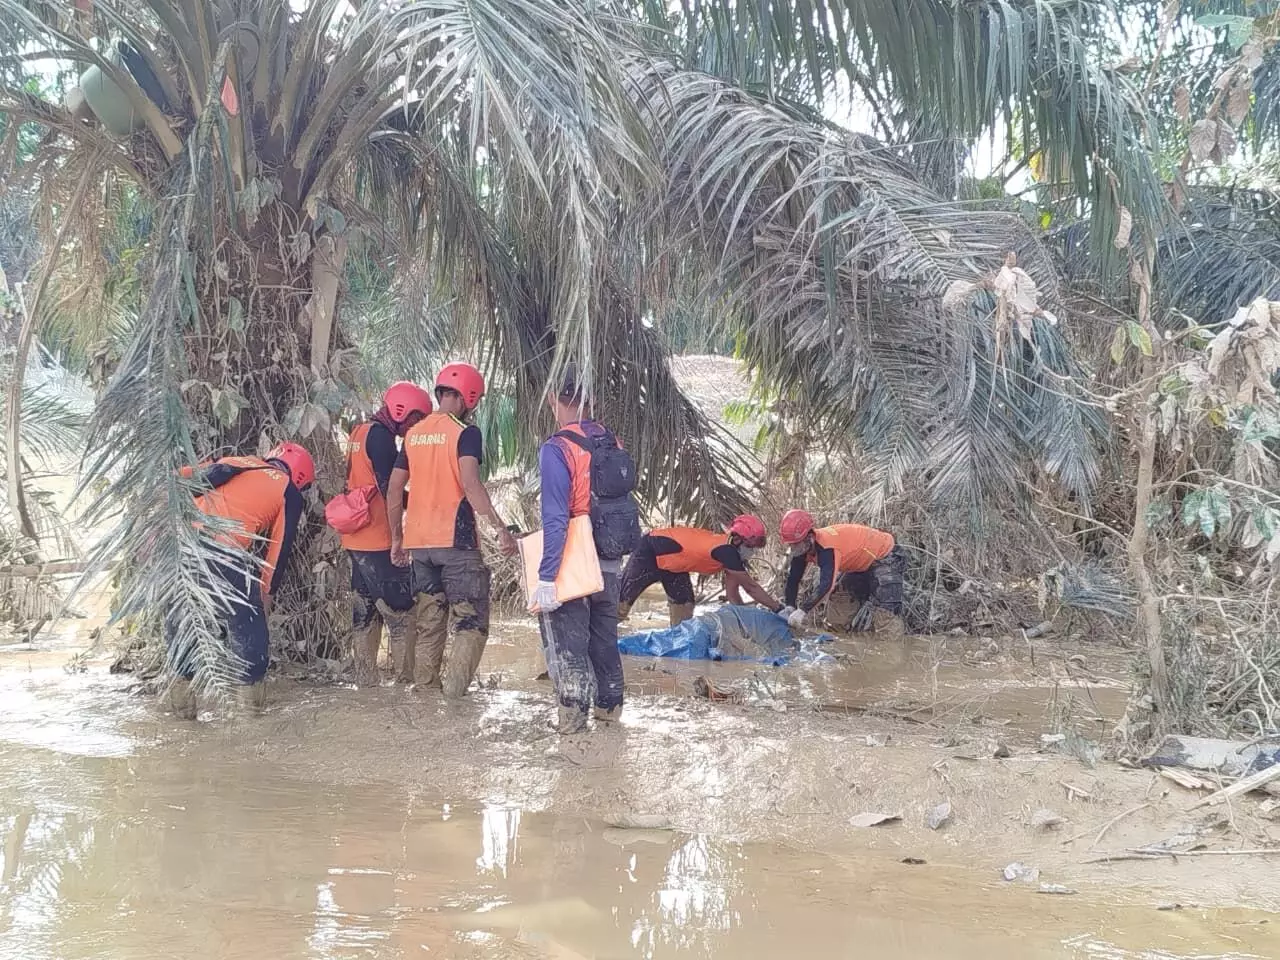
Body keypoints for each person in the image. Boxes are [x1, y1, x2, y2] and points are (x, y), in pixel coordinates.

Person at [386, 362, 518, 697]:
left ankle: (426, 697)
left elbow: (393, 489)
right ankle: (454, 702)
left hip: (420, 546)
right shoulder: (465, 433)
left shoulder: (413, 435)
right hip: (456, 543)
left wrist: (397, 539)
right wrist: (500, 529)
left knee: (431, 624)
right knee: (471, 623)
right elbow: (471, 485)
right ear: (468, 397)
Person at [166, 442, 314, 717]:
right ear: (301, 477)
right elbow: (278, 553)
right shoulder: (288, 491)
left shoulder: (237, 461)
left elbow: (179, 475)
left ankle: (181, 716)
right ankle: (250, 720)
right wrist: (264, 599)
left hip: (178, 548)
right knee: (248, 633)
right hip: (224, 553)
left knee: (184, 631)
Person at [532, 366, 637, 734]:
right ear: (589, 400)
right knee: (605, 643)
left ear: (552, 400)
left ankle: (573, 729)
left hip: (574, 566)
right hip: (610, 562)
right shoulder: (612, 442)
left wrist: (547, 577)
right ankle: (611, 718)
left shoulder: (557, 448)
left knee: (569, 647)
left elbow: (557, 519)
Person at [341, 381, 433, 684]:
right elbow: (388, 489)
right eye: (415, 420)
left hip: (355, 537)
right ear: (401, 411)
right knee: (401, 611)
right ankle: (405, 680)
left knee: (364, 611)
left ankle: (366, 682)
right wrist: (417, 502)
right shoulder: (381, 440)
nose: (414, 428)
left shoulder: (359, 432)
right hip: (378, 537)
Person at [617, 516, 790, 626]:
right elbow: (750, 587)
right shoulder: (727, 552)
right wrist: (778, 608)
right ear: (737, 539)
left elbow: (732, 594)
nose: (753, 551)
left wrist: (743, 619)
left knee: (684, 608)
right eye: (751, 546)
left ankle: (676, 649)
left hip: (675, 565)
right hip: (651, 550)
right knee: (620, 605)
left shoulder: (731, 553)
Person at [778, 509, 906, 637]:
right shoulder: (802, 549)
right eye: (791, 545)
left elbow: (826, 585)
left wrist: (803, 610)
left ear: (809, 537)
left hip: (883, 554)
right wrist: (790, 605)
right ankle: (841, 647)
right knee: (839, 608)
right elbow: (793, 579)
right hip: (858, 564)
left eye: (796, 544)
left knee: (887, 617)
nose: (793, 548)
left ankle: (892, 650)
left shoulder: (827, 547)